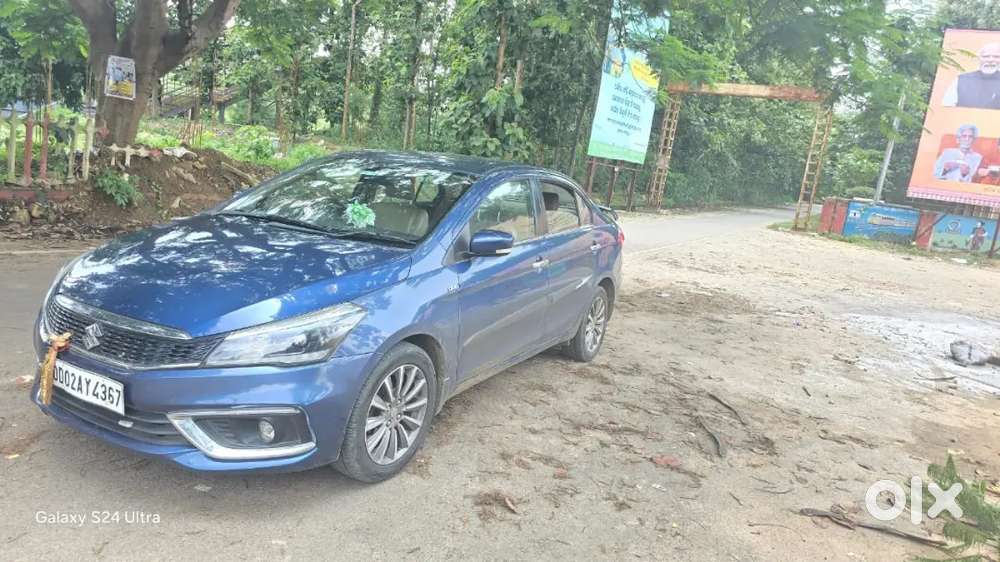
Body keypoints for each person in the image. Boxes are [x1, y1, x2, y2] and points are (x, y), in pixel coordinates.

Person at [942, 42, 1000, 109]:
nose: (990, 60)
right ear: (979, 58)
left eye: (996, 57)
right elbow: (947, 107)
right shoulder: (961, 80)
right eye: (986, 56)